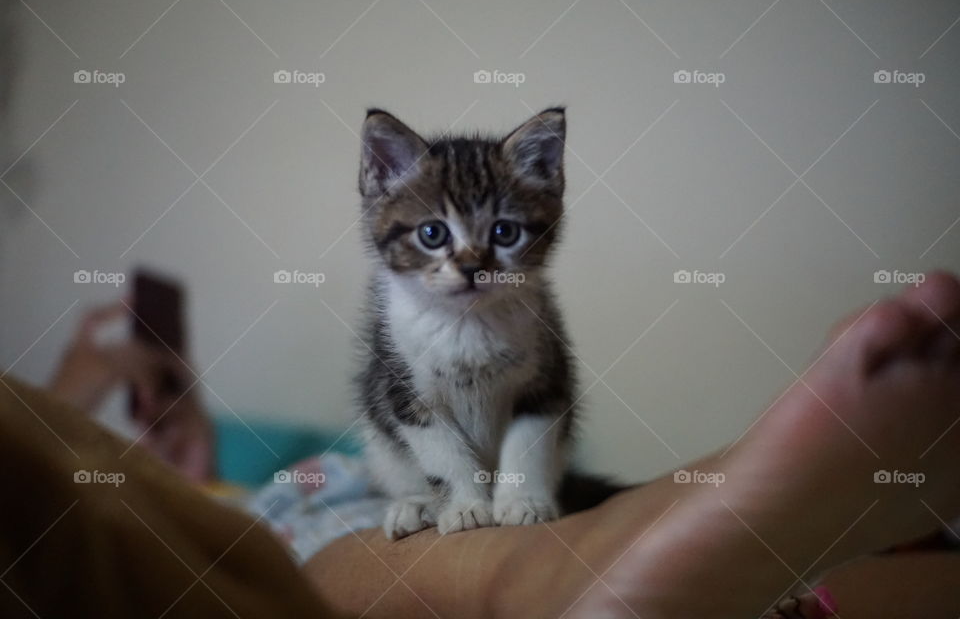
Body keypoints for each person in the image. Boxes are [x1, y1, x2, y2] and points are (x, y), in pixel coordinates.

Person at [1, 273, 959, 618]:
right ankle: (558, 571)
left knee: (331, 522)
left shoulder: (192, 479)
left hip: (263, 510)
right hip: (286, 529)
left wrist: (179, 428)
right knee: (318, 551)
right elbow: (72, 507)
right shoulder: (163, 514)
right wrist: (78, 389)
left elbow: (119, 502)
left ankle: (644, 530)